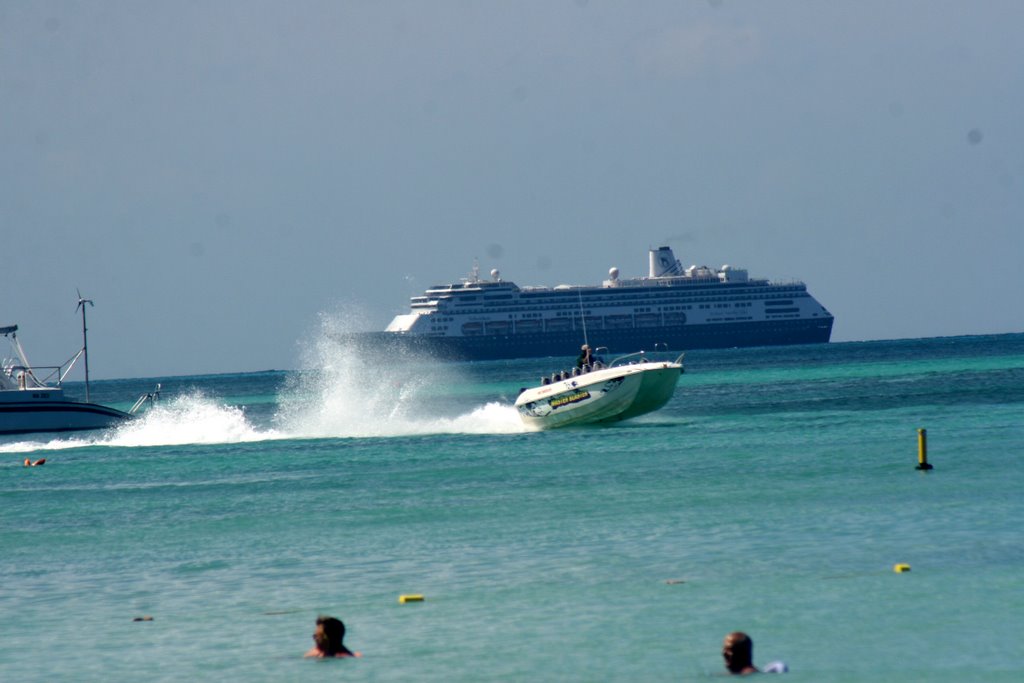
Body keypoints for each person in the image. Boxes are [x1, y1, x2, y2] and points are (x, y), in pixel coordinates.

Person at [722, 631, 787, 675]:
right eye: (724, 649)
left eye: (730, 650)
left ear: (743, 653)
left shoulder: (748, 674)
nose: (724, 653)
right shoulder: (737, 674)